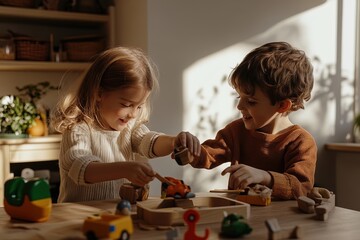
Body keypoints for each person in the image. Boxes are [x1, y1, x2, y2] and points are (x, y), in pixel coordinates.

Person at [51, 47, 200, 202]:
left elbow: (148, 141)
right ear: (99, 93)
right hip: (79, 218)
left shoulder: (130, 127)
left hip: (118, 216)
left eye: (139, 106)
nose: (133, 114)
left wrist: (174, 141)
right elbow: (82, 169)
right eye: (127, 104)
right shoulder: (78, 129)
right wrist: (125, 168)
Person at [187, 42, 317, 200]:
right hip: (240, 218)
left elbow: (302, 188)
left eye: (251, 101)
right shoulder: (236, 131)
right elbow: (208, 155)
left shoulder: (301, 141)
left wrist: (265, 177)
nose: (239, 106)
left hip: (282, 222)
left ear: (282, 105)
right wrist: (188, 149)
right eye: (239, 97)